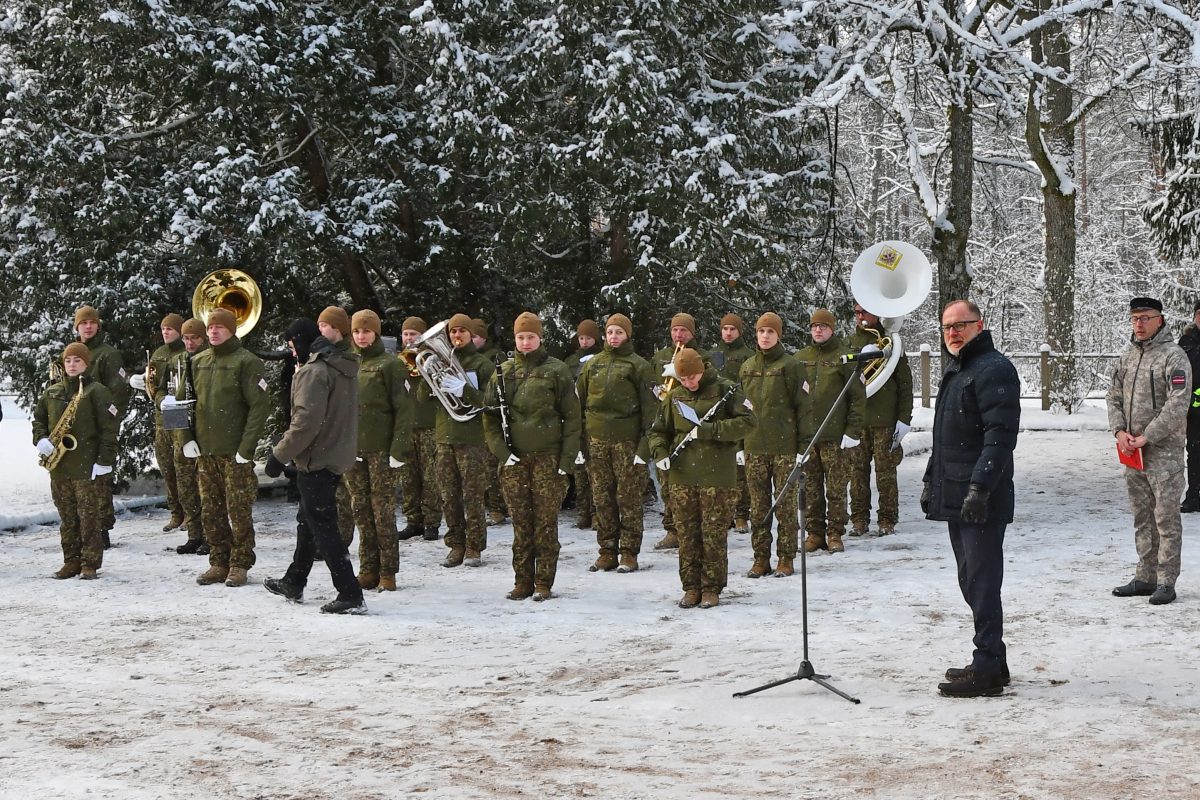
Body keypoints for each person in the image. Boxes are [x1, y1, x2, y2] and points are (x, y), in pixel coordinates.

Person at [923, 299, 1020, 698]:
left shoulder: (994, 368)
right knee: (970, 579)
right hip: (955, 492)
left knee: (982, 582)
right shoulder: (958, 368)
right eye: (947, 326)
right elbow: (944, 438)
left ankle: (986, 670)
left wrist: (980, 487)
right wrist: (932, 480)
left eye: (961, 325)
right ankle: (994, 660)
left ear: (979, 325)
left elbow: (1000, 436)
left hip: (981, 496)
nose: (953, 333)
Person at [263, 319, 365, 614]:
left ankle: (350, 592)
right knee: (308, 520)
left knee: (323, 526)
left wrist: (279, 455)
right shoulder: (341, 365)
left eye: (291, 344)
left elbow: (306, 423)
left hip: (316, 458)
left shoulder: (314, 371)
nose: (291, 350)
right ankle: (294, 580)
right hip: (335, 454)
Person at [484, 312, 581, 601]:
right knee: (521, 523)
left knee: (545, 524)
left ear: (540, 338)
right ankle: (522, 581)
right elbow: (489, 418)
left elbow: (573, 418)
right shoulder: (502, 371)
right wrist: (502, 453)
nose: (525, 342)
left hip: (547, 459)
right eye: (520, 337)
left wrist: (566, 462)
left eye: (531, 337)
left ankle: (543, 582)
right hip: (514, 461)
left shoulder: (556, 371)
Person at [649, 348, 755, 608]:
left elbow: (748, 422)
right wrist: (659, 452)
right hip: (682, 476)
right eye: (683, 379)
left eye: (693, 377)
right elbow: (657, 431)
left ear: (703, 369)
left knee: (713, 535)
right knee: (687, 535)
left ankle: (711, 587)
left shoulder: (725, 390)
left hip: (717, 476)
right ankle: (691, 587)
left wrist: (709, 431)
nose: (689, 383)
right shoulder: (674, 396)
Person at [1108, 297, 1191, 607]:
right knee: (1142, 517)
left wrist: (1147, 436)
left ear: (1160, 320)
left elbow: (1178, 403)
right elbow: (1112, 396)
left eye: (1145, 318)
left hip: (1163, 455)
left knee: (1165, 519)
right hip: (1133, 454)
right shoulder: (1128, 357)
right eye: (1135, 319)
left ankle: (1167, 580)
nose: (1139, 324)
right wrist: (1119, 431)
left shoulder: (1174, 356)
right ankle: (1145, 576)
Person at [179, 308, 270, 588]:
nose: (214, 332)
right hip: (205, 452)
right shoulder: (197, 362)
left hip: (234, 452)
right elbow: (180, 404)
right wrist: (186, 439)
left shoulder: (247, 362)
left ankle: (240, 563)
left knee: (238, 509)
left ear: (232, 330)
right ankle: (218, 561)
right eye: (211, 328)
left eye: (220, 327)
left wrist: (246, 447)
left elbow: (259, 406)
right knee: (211, 509)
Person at [576, 313, 657, 572]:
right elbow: (580, 404)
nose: (613, 336)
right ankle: (607, 550)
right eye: (610, 332)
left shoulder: (639, 366)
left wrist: (645, 448)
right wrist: (580, 443)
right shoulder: (592, 365)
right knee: (602, 497)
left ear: (627, 335)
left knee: (629, 498)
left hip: (628, 443)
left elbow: (651, 410)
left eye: (619, 332)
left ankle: (629, 553)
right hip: (596, 442)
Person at [33, 343, 120, 579]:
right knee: (67, 517)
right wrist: (40, 438)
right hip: (60, 466)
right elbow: (39, 419)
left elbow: (109, 429)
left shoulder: (97, 391)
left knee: (89, 517)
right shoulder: (53, 391)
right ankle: (71, 560)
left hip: (87, 466)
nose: (72, 365)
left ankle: (89, 563)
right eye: (68, 360)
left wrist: (104, 460)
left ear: (86, 363)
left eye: (77, 361)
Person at [740, 313, 810, 578]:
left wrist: (802, 447)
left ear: (778, 335)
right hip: (754, 448)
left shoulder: (791, 366)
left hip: (784, 448)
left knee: (785, 506)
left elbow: (804, 409)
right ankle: (760, 559)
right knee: (758, 507)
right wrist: (739, 443)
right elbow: (740, 409)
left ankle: (785, 557)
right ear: (756, 335)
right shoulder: (746, 366)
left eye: (770, 331)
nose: (765, 336)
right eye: (761, 332)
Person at [346, 309, 412, 592]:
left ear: (376, 333)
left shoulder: (390, 364)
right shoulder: (345, 362)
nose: (361, 336)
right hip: (352, 449)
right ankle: (368, 568)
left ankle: (388, 571)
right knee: (360, 509)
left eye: (366, 331)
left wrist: (398, 448)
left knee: (382, 510)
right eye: (357, 331)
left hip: (381, 449)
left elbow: (404, 409)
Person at [794, 309, 866, 554]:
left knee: (836, 489)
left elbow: (858, 398)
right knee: (810, 488)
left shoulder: (845, 357)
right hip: (808, 438)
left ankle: (835, 532)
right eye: (814, 326)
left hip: (835, 438)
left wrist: (852, 431)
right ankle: (814, 533)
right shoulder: (801, 358)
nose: (818, 330)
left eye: (823, 326)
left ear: (832, 329)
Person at [847, 303, 914, 536]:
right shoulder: (848, 344)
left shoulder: (893, 344)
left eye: (865, 311)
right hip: (857, 421)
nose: (860, 316)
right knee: (857, 474)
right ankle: (858, 519)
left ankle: (887, 519)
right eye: (857, 313)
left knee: (886, 474)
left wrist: (904, 419)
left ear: (877, 313)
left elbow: (905, 385)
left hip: (886, 421)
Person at [435, 313, 496, 568]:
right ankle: (455, 544)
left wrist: (464, 390)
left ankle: (474, 546)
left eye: (461, 331)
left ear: (471, 334)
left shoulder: (483, 364)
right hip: (444, 437)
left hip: (472, 438)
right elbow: (421, 399)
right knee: (448, 496)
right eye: (452, 332)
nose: (456, 336)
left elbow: (492, 402)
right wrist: (429, 384)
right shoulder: (441, 361)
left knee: (472, 495)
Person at [650, 313, 714, 550]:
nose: (679, 335)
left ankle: (698, 528)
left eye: (684, 331)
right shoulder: (660, 357)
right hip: (666, 424)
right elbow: (651, 385)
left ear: (692, 333)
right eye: (675, 330)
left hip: (692, 426)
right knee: (667, 483)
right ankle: (672, 529)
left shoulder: (704, 357)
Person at [73, 305, 129, 549]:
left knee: (100, 477)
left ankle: (103, 527)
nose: (87, 327)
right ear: (76, 327)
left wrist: (108, 424)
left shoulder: (108, 354)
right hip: (74, 427)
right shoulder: (71, 353)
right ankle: (81, 527)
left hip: (98, 426)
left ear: (98, 326)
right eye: (83, 323)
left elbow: (118, 393)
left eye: (92, 323)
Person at [129, 314, 187, 531]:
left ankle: (190, 513)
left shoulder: (185, 353)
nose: (166, 332)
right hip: (161, 415)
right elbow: (154, 384)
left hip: (180, 414)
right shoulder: (159, 354)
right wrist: (143, 383)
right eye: (163, 329)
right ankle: (176, 512)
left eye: (170, 329)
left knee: (184, 468)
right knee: (167, 467)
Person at [398, 317, 443, 541]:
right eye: (406, 334)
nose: (409, 338)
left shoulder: (435, 360)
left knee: (431, 478)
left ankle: (432, 521)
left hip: (429, 427)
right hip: (406, 428)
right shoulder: (397, 363)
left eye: (413, 334)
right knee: (408, 477)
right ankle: (412, 520)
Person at [318, 307, 358, 549]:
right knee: (332, 494)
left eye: (324, 326)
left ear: (337, 329)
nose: (320, 331)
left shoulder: (348, 358)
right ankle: (332, 542)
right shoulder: (324, 356)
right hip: (332, 433)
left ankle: (340, 542)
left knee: (346, 494)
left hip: (348, 433)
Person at [171, 319, 209, 554]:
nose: (189, 342)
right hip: (185, 436)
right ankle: (194, 533)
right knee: (186, 487)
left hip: (205, 434)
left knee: (207, 491)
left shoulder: (205, 361)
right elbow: (177, 400)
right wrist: (181, 438)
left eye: (194, 337)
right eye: (185, 338)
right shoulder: (183, 360)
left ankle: (209, 535)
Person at [715, 313, 755, 532]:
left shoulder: (748, 356)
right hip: (718, 417)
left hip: (738, 414)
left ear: (740, 331)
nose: (728, 333)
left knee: (741, 470)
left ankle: (741, 514)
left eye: (732, 329)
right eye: (725, 329)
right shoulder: (713, 355)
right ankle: (725, 512)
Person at [564, 319, 603, 529]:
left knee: (595, 470)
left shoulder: (600, 359)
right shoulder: (570, 361)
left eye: (588, 337)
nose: (585, 341)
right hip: (575, 418)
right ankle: (584, 510)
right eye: (581, 337)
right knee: (578, 469)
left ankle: (598, 512)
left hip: (593, 418)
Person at [472, 317, 508, 527]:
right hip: (471, 419)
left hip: (490, 415)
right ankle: (488, 505)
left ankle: (497, 507)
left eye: (476, 336)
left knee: (491, 466)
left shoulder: (494, 357)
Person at [1177, 300, 1200, 513]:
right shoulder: (1187, 340)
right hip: (1195, 411)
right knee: (1194, 453)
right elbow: (1190, 366)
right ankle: (1194, 495)